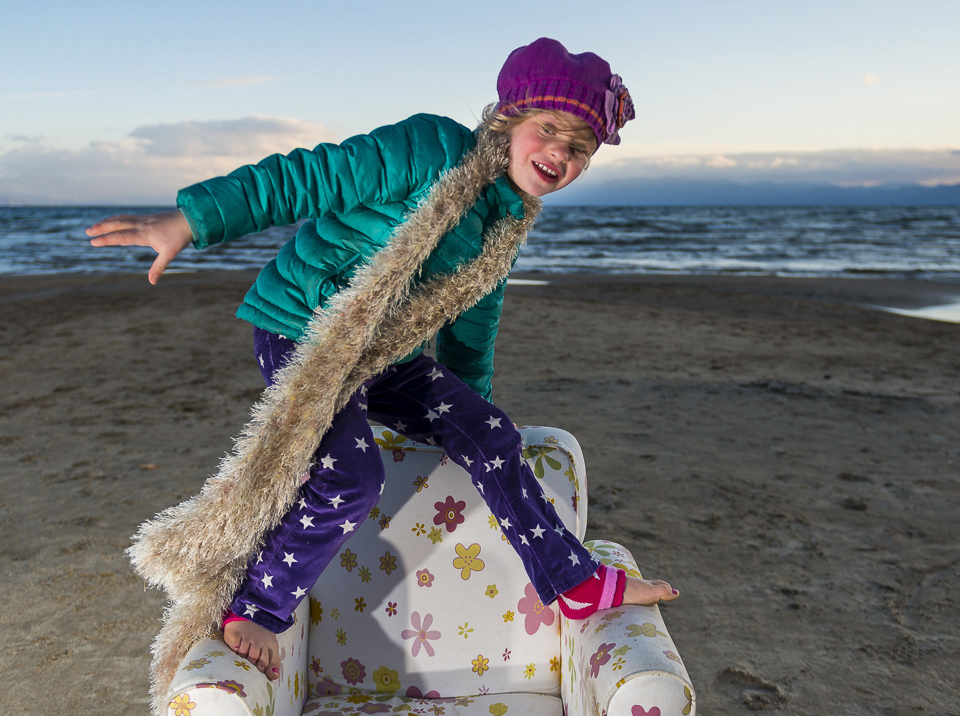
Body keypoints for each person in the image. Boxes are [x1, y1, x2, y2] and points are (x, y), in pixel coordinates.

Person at [87, 38, 678, 684]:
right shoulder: (427, 147)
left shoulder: (507, 221)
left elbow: (471, 321)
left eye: (580, 147)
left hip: (385, 351)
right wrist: (191, 221)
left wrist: (466, 414)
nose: (561, 153)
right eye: (549, 130)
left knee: (493, 433)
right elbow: (304, 178)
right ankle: (256, 605)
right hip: (305, 326)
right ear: (509, 121)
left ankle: (575, 582)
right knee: (351, 477)